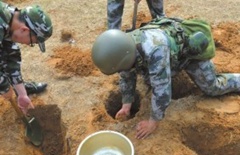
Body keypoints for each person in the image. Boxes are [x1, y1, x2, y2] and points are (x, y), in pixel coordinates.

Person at [91, 17, 240, 139]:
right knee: (151, 77)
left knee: (212, 88)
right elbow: (126, 76)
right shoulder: (124, 49)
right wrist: (126, 104)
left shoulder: (154, 51)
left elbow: (162, 90)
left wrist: (153, 122)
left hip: (188, 53)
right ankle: (172, 66)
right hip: (167, 52)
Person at [0, 2, 52, 114]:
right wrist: (4, 87)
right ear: (24, 30)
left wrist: (22, 93)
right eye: (32, 42)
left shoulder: (10, 20)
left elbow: (11, 55)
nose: (28, 45)